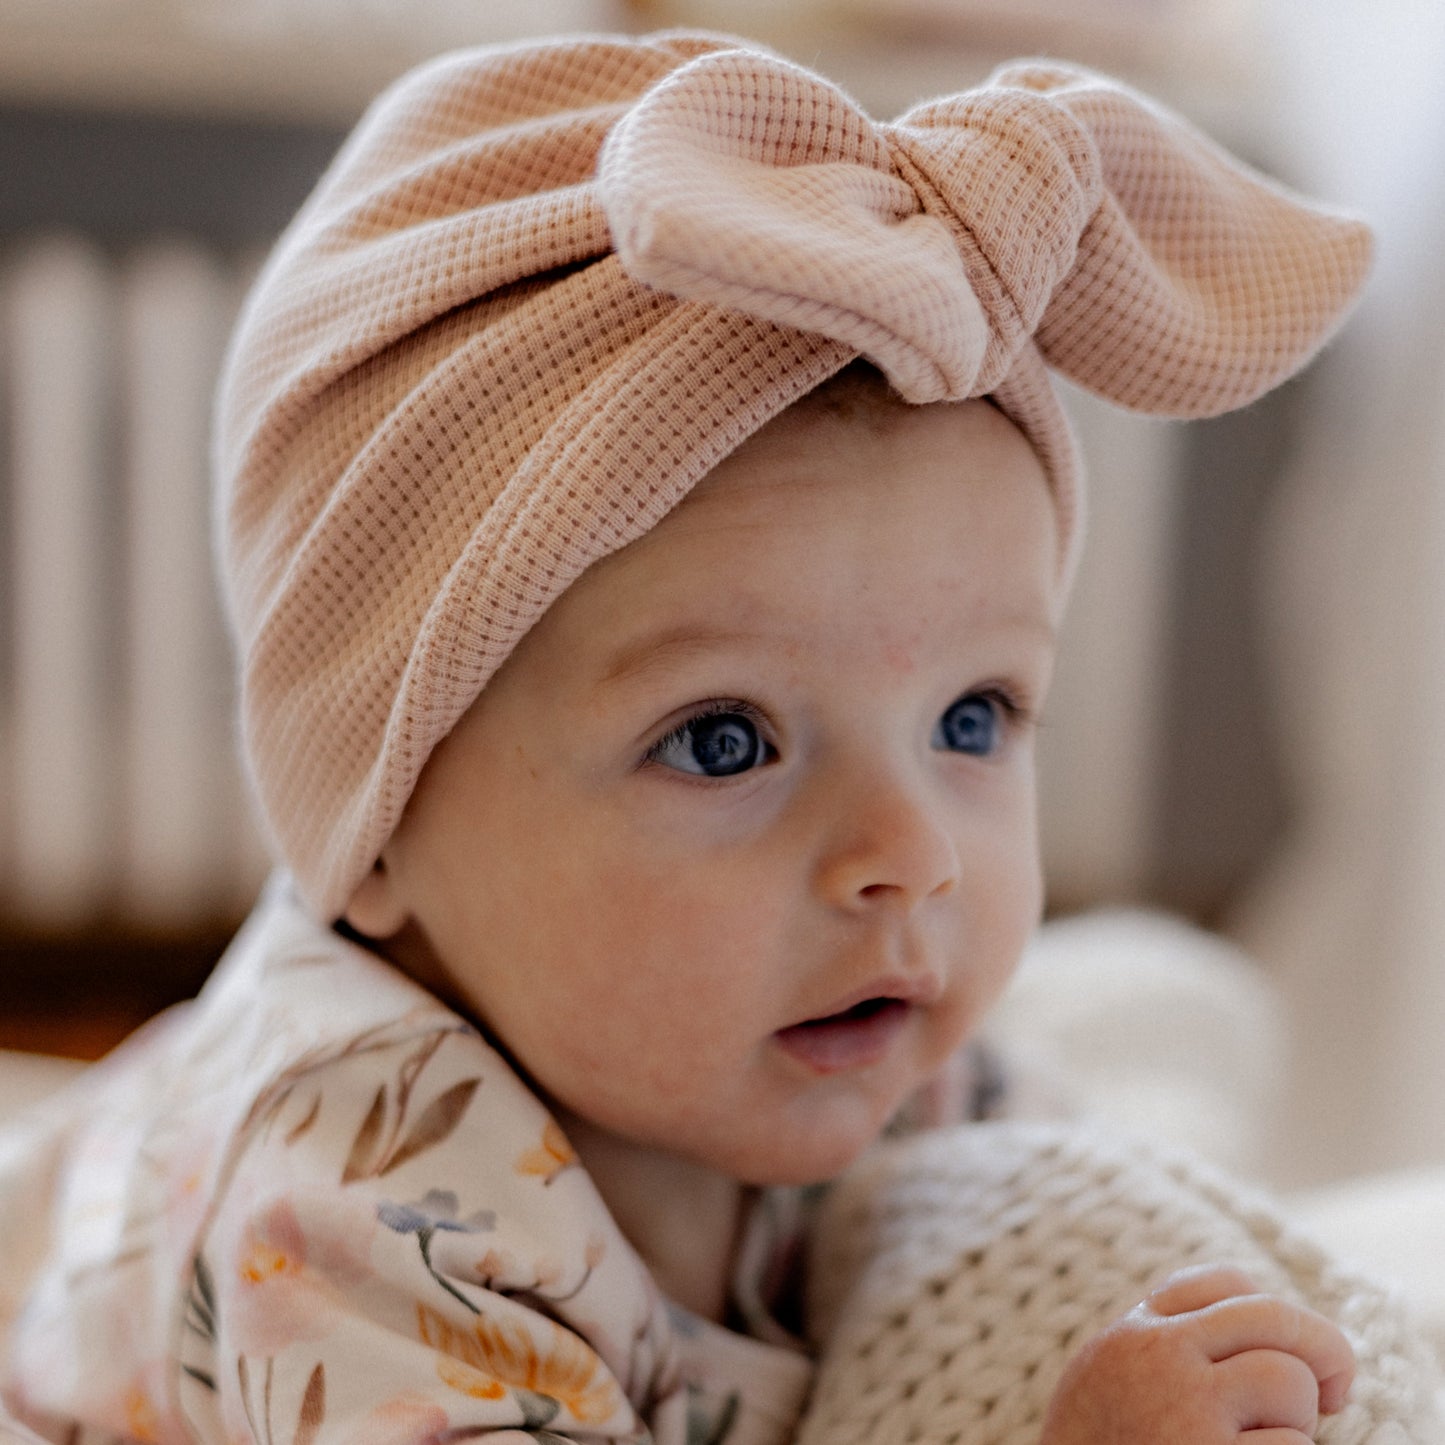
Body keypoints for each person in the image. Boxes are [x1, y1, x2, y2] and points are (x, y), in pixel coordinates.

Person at [0, 30, 1373, 1445]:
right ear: (381, 814)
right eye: (723, 741)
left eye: (972, 717)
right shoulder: (357, 1207)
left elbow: (1064, 1198)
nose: (906, 856)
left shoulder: (856, 1028)